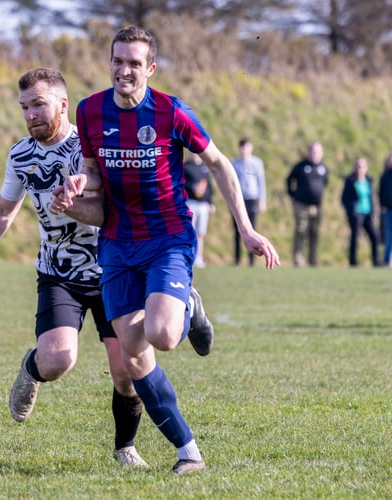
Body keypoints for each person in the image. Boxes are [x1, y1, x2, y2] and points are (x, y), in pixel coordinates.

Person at [51, 26, 280, 475]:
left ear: (150, 68)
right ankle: (188, 451)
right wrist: (79, 184)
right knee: (133, 355)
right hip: (117, 244)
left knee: (163, 335)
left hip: (168, 238)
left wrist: (247, 229)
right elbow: (95, 173)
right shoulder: (89, 111)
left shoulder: (171, 112)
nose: (124, 70)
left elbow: (219, 164)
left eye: (134, 63)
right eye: (117, 61)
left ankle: (187, 304)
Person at [0, 67, 149, 467]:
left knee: (126, 370)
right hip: (59, 273)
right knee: (57, 362)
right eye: (24, 107)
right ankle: (31, 366)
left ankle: (125, 447)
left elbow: (116, 203)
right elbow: (5, 209)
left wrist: (78, 193)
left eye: (38, 104)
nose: (30, 114)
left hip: (113, 269)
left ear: (62, 104)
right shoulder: (21, 154)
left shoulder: (92, 147)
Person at [285, 142, 328, 267]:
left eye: (317, 152)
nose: (315, 154)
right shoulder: (301, 166)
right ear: (309, 152)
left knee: (315, 233)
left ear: (321, 154)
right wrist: (292, 196)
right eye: (312, 151)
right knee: (301, 231)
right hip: (301, 205)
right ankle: (298, 259)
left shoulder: (323, 168)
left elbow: (325, 183)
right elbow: (289, 180)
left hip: (317, 207)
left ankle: (313, 260)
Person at [231, 137, 267, 266]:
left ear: (251, 148)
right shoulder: (235, 163)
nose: (244, 150)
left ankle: (252, 260)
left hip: (252, 198)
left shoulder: (257, 163)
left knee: (252, 229)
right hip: (239, 200)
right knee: (237, 229)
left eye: (247, 146)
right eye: (242, 147)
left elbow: (261, 182)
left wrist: (262, 200)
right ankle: (237, 259)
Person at [340, 157, 380, 267]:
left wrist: (374, 211)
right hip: (356, 213)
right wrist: (351, 210)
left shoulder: (369, 181)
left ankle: (376, 260)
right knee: (355, 237)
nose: (360, 169)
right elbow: (344, 198)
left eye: (362, 166)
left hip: (368, 213)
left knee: (374, 236)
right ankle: (353, 261)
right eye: (358, 166)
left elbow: (372, 197)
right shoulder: (350, 181)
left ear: (366, 168)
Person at [182, 153, 214, 268]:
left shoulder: (204, 167)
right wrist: (192, 187)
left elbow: (209, 186)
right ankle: (189, 257)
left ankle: (199, 258)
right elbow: (182, 184)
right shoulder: (185, 166)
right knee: (191, 232)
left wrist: (211, 202)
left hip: (203, 205)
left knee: (201, 233)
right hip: (191, 202)